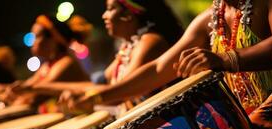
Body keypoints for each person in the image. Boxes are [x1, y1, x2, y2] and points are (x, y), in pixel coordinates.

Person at [64, 0, 272, 129]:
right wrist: (93, 97)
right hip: (238, 119)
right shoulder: (211, 17)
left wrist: (226, 59)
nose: (104, 16)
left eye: (110, 8)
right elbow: (158, 69)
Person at [31, 0, 183, 116]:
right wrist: (78, 93)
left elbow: (121, 92)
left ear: (129, 13)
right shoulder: (128, 48)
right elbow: (98, 84)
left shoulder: (149, 42)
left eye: (110, 9)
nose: (104, 16)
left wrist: (90, 98)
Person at [0, 14, 91, 112]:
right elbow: (24, 86)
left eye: (37, 36)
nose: (33, 42)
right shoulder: (46, 66)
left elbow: (33, 97)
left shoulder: (65, 63)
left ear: (53, 40)